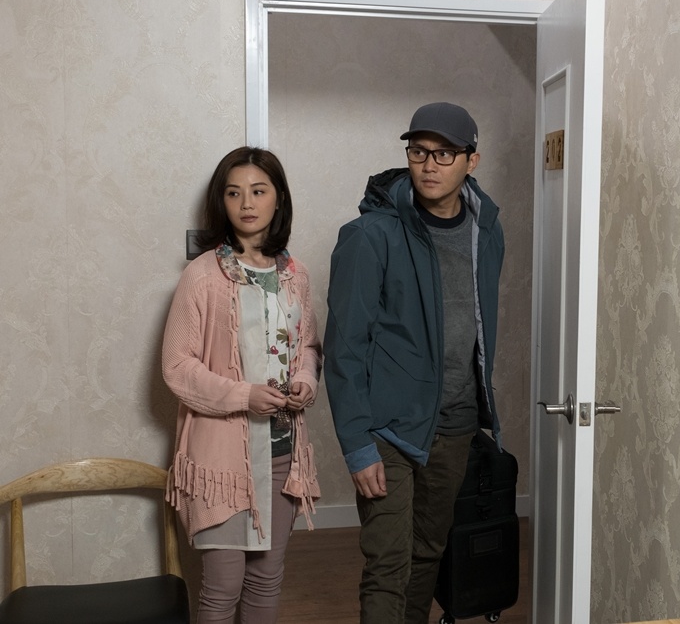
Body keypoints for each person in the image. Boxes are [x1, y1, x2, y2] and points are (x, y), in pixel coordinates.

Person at [324, 102, 505, 623]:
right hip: (388, 430)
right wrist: (357, 445)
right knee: (388, 565)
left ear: (471, 161)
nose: (428, 164)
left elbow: (477, 326)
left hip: (456, 425)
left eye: (444, 153)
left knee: (428, 554)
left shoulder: (487, 231)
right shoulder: (370, 235)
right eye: (418, 151)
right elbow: (344, 347)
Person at [162, 146, 322, 624]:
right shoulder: (202, 276)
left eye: (258, 190)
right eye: (234, 193)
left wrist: (305, 379)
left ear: (278, 198)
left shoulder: (295, 275)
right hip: (222, 462)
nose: (247, 203)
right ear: (221, 202)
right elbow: (177, 366)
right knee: (221, 589)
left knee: (266, 581)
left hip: (283, 454)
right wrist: (244, 396)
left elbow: (309, 346)